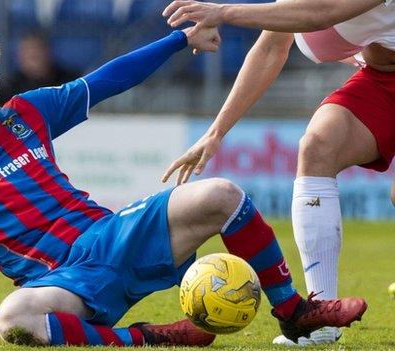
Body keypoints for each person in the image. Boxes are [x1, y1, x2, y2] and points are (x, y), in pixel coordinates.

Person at [0, 27, 366, 347]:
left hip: (113, 234)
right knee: (15, 320)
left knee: (223, 195)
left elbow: (107, 80)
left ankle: (294, 313)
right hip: (61, 282)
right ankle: (149, 339)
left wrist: (180, 40)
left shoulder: (26, 113)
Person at [161, 0, 394, 346]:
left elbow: (320, 14)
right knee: (317, 147)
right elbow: (271, 48)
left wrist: (224, 13)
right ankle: (319, 319)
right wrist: (216, 132)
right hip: (382, 81)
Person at [0, 31, 79, 106]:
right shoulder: (8, 89)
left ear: (48, 53)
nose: (33, 56)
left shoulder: (69, 82)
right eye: (28, 53)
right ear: (19, 56)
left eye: (37, 53)